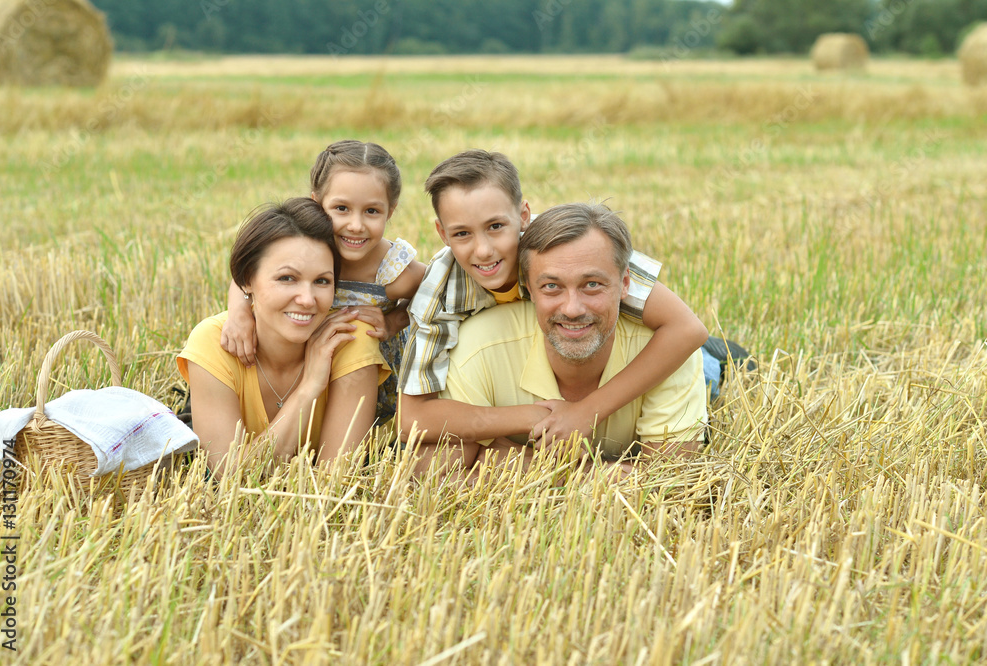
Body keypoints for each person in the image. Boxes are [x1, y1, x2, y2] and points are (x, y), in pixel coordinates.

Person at [398, 149, 710, 445]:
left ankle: (716, 366)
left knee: (702, 368)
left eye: (495, 226)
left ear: (523, 216)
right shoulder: (439, 291)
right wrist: (533, 418)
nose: (483, 250)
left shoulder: (568, 247)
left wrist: (587, 412)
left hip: (607, 346)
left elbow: (687, 329)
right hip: (522, 364)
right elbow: (411, 418)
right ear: (442, 233)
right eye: (462, 233)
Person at [417, 202, 708, 477]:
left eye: (591, 284)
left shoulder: (670, 351)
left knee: (712, 370)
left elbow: (670, 479)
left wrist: (506, 458)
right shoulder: (478, 347)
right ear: (528, 288)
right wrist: (586, 475)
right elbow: (433, 471)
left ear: (625, 285)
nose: (572, 309)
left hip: (696, 362)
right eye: (551, 286)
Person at [178, 198, 390, 478]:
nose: (307, 299)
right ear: (247, 280)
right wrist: (309, 387)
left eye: (322, 281)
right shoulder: (212, 342)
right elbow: (232, 477)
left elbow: (335, 478)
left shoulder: (350, 339)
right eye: (287, 278)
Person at [221, 140, 425, 424]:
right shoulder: (303, 248)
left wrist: (393, 322)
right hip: (308, 365)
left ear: (390, 211)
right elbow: (247, 273)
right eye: (341, 208)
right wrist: (239, 312)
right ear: (316, 203)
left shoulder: (390, 271)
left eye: (372, 211)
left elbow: (436, 291)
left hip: (365, 377)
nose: (356, 225)